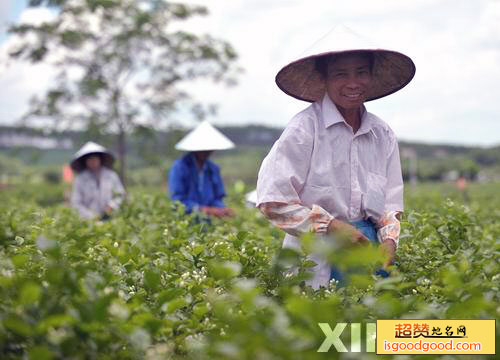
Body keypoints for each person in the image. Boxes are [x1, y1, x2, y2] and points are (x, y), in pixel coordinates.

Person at [256, 26, 416, 289]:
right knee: (324, 325)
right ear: (325, 79)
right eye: (341, 74)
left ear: (371, 75)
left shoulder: (382, 134)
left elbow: (390, 203)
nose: (353, 83)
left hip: (368, 254)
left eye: (361, 72)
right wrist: (330, 226)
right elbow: (272, 201)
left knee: (366, 328)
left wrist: (389, 240)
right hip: (315, 258)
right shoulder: (305, 129)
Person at [168, 121, 235, 218]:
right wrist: (204, 210)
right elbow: (177, 201)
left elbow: (217, 198)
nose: (207, 152)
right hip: (186, 220)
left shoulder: (213, 169)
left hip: (209, 222)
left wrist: (222, 210)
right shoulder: (179, 167)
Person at [70, 142, 126, 220]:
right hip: (88, 221)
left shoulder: (111, 175)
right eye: (89, 159)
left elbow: (120, 195)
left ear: (100, 159)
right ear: (85, 161)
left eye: (95, 158)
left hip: (111, 217)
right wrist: (90, 216)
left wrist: (112, 206)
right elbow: (76, 203)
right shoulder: (80, 179)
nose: (93, 161)